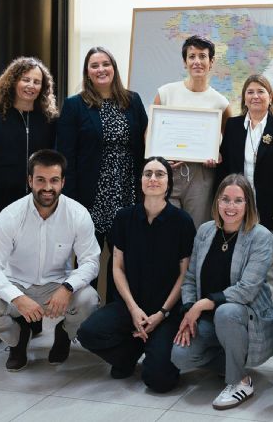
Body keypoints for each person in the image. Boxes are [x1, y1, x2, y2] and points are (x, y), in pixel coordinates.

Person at [0, 149, 101, 372]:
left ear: (63, 182)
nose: (47, 187)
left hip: (57, 286)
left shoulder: (78, 214)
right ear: (30, 180)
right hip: (16, 284)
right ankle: (17, 338)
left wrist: (68, 288)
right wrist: (17, 297)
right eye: (40, 180)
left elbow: (90, 261)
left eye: (54, 180)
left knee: (89, 300)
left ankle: (64, 334)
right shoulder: (10, 215)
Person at [77, 156, 195, 392]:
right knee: (88, 333)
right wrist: (132, 308)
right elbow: (117, 266)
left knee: (159, 381)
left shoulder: (182, 222)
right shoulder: (124, 218)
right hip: (130, 305)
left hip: (166, 312)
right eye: (147, 173)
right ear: (140, 180)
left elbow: (185, 275)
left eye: (160, 174)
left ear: (168, 182)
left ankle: (155, 349)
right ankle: (128, 355)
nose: (153, 179)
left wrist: (162, 313)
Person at [0, 56, 58, 347]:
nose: (30, 85)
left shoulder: (49, 121)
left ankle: (30, 319)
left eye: (36, 81)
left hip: (36, 205)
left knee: (31, 262)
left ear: (43, 88)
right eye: (25, 79)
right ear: (13, 81)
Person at [171, 174, 273, 410]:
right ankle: (233, 359)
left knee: (226, 312)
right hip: (210, 318)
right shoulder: (205, 231)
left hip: (243, 317)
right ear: (217, 202)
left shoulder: (260, 236)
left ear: (248, 204)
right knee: (180, 357)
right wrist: (190, 308)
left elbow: (247, 290)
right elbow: (190, 277)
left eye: (238, 200)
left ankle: (239, 381)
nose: (231, 206)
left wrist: (203, 304)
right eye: (225, 199)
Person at [57, 46, 148, 301]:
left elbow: (145, 145)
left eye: (105, 64)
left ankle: (113, 324)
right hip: (90, 198)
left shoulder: (133, 101)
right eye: (94, 65)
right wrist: (71, 200)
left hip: (127, 194)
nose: (101, 69)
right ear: (87, 72)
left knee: (122, 262)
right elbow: (65, 156)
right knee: (88, 264)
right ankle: (76, 325)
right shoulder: (75, 106)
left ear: (114, 68)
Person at [218, 74, 273, 310]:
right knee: (238, 267)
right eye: (250, 91)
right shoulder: (232, 126)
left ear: (270, 97)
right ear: (244, 97)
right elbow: (225, 168)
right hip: (236, 210)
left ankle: (269, 325)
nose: (255, 96)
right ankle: (239, 319)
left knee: (271, 270)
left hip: (271, 210)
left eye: (261, 91)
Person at [153, 35, 232, 228]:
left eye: (202, 56)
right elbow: (150, 133)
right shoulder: (165, 93)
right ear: (185, 62)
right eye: (192, 56)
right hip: (169, 171)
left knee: (198, 230)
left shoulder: (220, 102)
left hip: (201, 176)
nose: (197, 61)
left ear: (211, 62)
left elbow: (229, 142)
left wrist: (218, 154)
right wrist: (158, 159)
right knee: (166, 230)